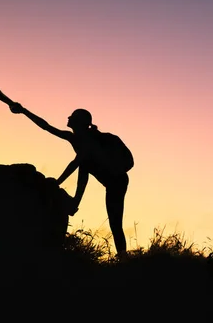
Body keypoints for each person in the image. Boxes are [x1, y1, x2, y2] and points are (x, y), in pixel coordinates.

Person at [11, 104, 130, 259]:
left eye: (72, 117)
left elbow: (76, 163)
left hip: (117, 182)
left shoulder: (89, 141)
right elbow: (46, 127)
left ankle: (123, 256)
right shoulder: (75, 139)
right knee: (84, 165)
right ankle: (122, 255)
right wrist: (24, 111)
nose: (68, 118)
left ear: (79, 122)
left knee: (115, 221)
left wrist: (58, 182)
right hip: (108, 178)